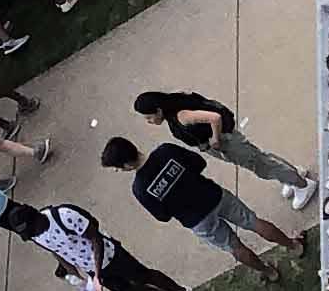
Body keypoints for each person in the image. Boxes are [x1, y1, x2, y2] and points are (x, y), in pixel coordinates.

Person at [99, 135, 305, 283]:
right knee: (253, 221)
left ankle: (269, 272)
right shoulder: (166, 151)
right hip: (213, 195)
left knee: (234, 246)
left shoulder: (140, 189)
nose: (119, 171)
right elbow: (198, 162)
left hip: (197, 220)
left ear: (126, 165)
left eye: (117, 167)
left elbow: (162, 216)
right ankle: (293, 246)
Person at [0, 200, 191, 291]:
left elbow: (95, 238)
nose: (31, 235)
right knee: (125, 290)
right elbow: (56, 251)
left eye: (30, 231)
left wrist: (97, 274)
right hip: (90, 268)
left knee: (143, 276)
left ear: (35, 218)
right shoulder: (35, 235)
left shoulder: (64, 216)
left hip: (110, 256)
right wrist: (77, 276)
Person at [131, 88, 316, 210]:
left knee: (261, 164)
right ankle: (291, 176)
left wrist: (215, 139)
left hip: (227, 143)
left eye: (148, 117)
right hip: (224, 142)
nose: (149, 122)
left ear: (158, 110)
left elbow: (214, 118)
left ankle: (302, 184)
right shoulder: (175, 104)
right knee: (261, 159)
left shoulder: (181, 115)